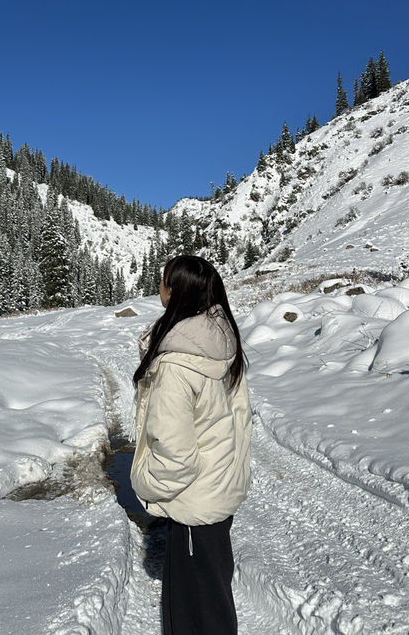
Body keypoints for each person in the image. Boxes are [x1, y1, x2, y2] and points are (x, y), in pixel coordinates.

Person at [131, 255, 252, 635]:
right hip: (219, 490)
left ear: (178, 291)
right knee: (213, 596)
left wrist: (144, 484)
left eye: (164, 281)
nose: (159, 288)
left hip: (194, 502)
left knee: (191, 617)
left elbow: (176, 458)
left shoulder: (177, 363)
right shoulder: (219, 340)